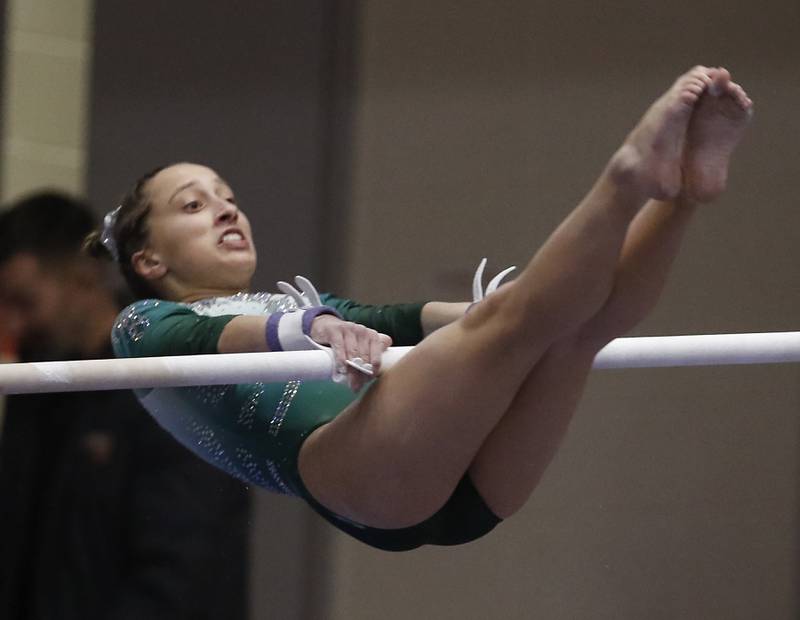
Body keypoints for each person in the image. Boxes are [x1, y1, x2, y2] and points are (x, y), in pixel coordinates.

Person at [87, 66, 753, 552]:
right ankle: (628, 174)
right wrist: (313, 326)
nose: (227, 208)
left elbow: (403, 318)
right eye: (194, 205)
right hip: (366, 480)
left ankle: (683, 195)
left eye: (227, 195)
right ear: (149, 262)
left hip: (462, 490)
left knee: (570, 333)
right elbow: (222, 341)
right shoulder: (141, 330)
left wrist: (494, 307)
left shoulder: (299, 306)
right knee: (518, 325)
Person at [0, 193, 250, 619]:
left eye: (24, 302)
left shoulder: (170, 381)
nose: (11, 325)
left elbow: (183, 575)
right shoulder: (36, 389)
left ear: (82, 278)